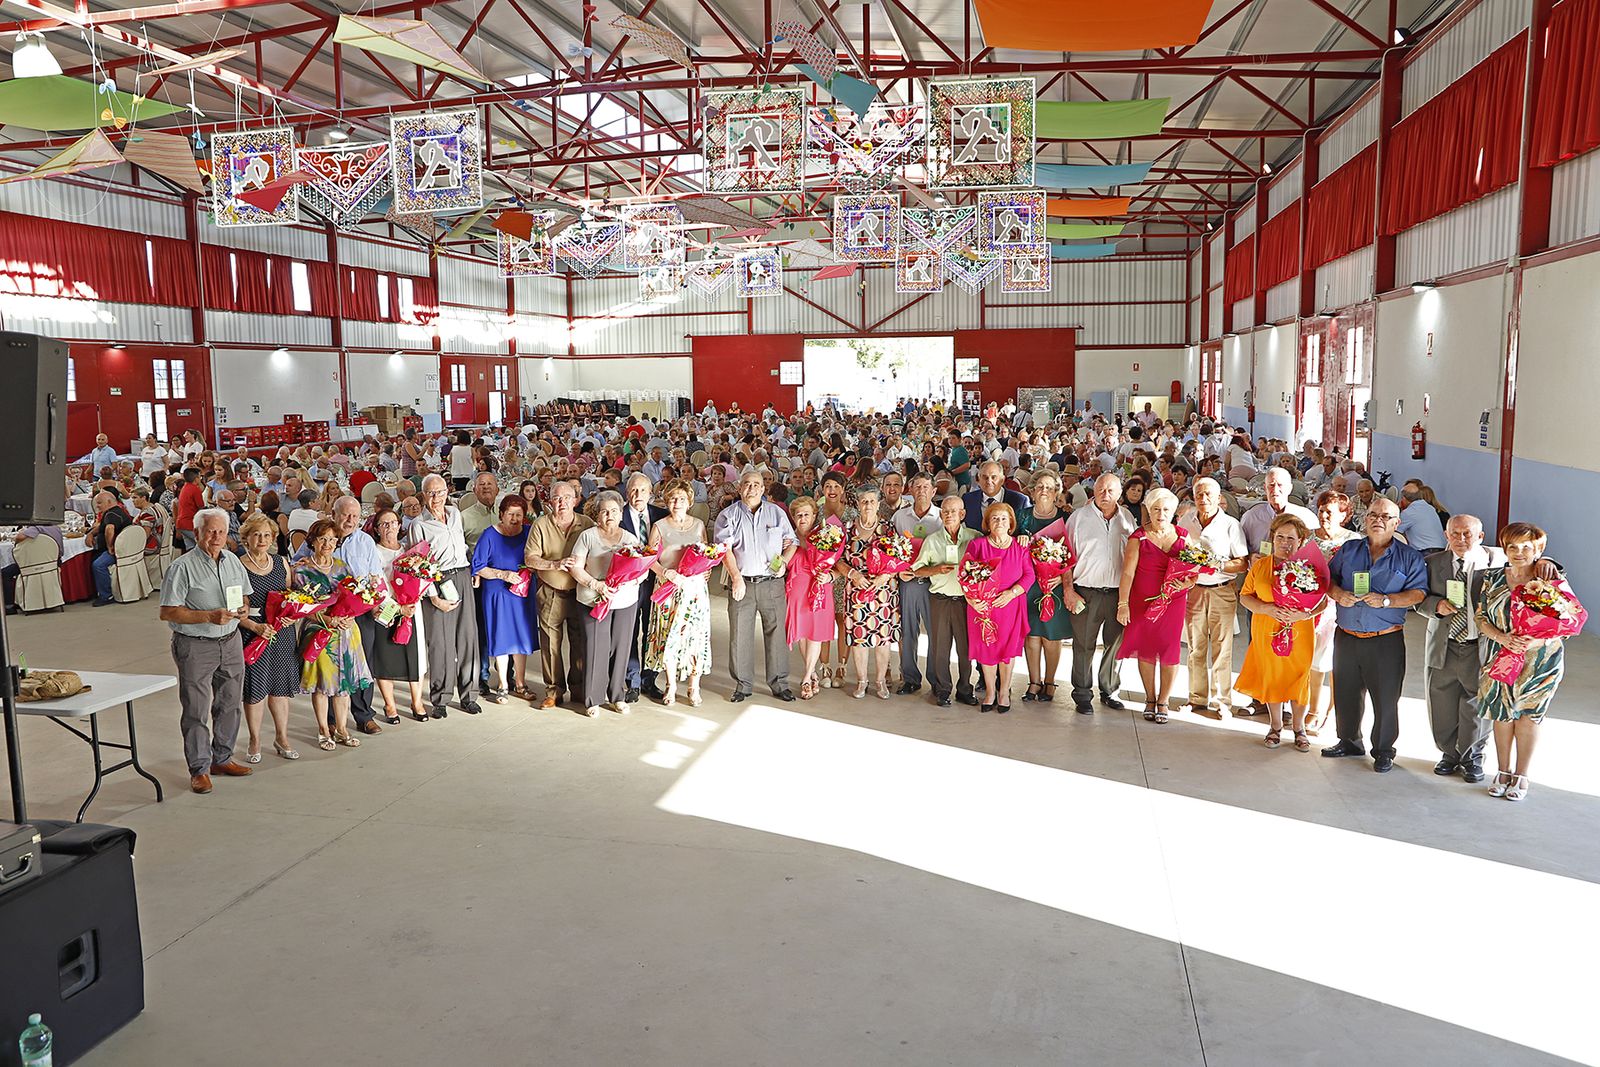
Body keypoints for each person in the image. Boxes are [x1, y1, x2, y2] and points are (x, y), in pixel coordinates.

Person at [1322, 497, 1428, 773]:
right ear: (1365, 518)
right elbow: (1328, 579)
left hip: (1385, 639)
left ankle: (1383, 750)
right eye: (1372, 515)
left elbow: (1418, 593)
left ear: (1397, 523)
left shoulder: (1410, 557)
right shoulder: (1349, 549)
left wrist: (1387, 600)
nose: (1378, 520)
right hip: (1347, 635)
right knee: (1345, 691)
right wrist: (1338, 594)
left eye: (1385, 516)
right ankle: (1348, 741)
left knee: (1385, 697)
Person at [1476, 523, 1577, 802]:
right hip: (1501, 655)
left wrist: (1534, 642)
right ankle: (1502, 771)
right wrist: (1501, 637)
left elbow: (1568, 621)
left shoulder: (1550, 579)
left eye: (1526, 547)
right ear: (1505, 549)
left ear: (1538, 550)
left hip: (1541, 661)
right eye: (1512, 547)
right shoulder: (1493, 578)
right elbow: (1481, 616)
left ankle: (1521, 775)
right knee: (1502, 714)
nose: (1518, 552)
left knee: (1528, 716)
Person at [158, 508, 254, 794]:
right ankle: (199, 769)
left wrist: (244, 608)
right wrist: (208, 617)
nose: (216, 537)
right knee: (196, 709)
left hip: (231, 641)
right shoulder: (182, 567)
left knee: (230, 703)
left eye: (221, 531)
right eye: (211, 531)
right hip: (195, 645)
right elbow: (167, 612)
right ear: (197, 532)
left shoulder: (233, 561)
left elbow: (244, 595)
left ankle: (222, 758)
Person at [1416, 514, 1507, 783]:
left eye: (1467, 533)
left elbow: (1531, 560)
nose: (1461, 539)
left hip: (1479, 646)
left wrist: (1548, 563)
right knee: (1440, 700)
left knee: (1477, 703)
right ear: (1446, 536)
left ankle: (1473, 756)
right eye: (1454, 534)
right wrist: (1436, 606)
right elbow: (1418, 599)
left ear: (1480, 536)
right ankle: (1449, 754)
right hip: (1444, 644)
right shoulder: (1433, 563)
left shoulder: (1497, 561)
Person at [1235, 515, 1323, 749]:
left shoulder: (1309, 568)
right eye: (1280, 537)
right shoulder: (1261, 565)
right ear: (1272, 538)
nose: (1285, 543)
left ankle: (1299, 728)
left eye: (1291, 538)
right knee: (1272, 676)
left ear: (1300, 541)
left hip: (1299, 632)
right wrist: (1266, 608)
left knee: (1299, 678)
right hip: (1267, 629)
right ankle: (1275, 726)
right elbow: (1245, 597)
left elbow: (1322, 601)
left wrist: (1303, 615)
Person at [715, 470, 798, 703]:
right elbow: (724, 550)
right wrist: (736, 577)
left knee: (777, 634)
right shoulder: (728, 516)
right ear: (739, 487)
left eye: (756, 484)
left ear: (763, 489)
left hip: (772, 584)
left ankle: (780, 683)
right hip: (743, 584)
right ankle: (743, 685)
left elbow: (792, 542)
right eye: (747, 484)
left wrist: (784, 562)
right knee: (740, 634)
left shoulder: (776, 513)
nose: (751, 488)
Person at [1061, 474, 1137, 715]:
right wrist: (1068, 589)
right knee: (1084, 645)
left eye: (1111, 491)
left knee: (1115, 644)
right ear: (1093, 490)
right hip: (1086, 592)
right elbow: (1065, 557)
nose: (1105, 495)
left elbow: (1135, 556)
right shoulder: (1078, 518)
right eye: (1101, 489)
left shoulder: (1127, 518)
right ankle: (1082, 694)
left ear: (1119, 494)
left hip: (1118, 594)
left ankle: (1109, 690)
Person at [295, 519, 373, 750]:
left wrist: (350, 617)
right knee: (322, 683)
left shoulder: (342, 567)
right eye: (322, 539)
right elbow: (301, 606)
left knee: (344, 683)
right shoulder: (302, 569)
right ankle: (323, 730)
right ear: (312, 541)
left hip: (346, 632)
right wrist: (329, 620)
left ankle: (341, 729)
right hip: (319, 632)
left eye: (332, 539)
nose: (327, 544)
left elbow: (354, 597)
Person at [1175, 477, 1249, 719]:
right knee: (1195, 648)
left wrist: (1217, 564)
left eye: (1208, 495)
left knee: (1222, 649)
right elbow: (1178, 553)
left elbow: (1242, 563)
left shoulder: (1230, 525)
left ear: (1219, 498)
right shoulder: (1187, 520)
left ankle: (1222, 702)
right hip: (1194, 591)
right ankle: (1196, 699)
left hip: (1222, 590)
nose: (1203, 499)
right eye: (1199, 494)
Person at [1115, 487, 1190, 722]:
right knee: (1146, 649)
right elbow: (1127, 573)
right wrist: (1123, 604)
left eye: (1166, 510)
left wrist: (1187, 583)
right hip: (1142, 602)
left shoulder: (1184, 536)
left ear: (1173, 512)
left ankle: (1163, 701)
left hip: (1173, 602)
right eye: (1156, 509)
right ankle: (1149, 698)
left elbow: (1193, 571)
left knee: (1170, 650)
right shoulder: (1138, 537)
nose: (1161, 514)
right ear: (1148, 510)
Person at [410, 474, 482, 718]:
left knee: (468, 638)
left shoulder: (455, 514)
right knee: (440, 643)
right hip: (438, 581)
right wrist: (433, 596)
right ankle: (440, 698)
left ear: (447, 492)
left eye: (440, 492)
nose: (436, 497)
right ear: (424, 495)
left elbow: (462, 545)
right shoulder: (418, 524)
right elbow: (417, 564)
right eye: (431, 493)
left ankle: (470, 695)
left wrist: (472, 569)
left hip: (462, 575)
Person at [571, 491, 646, 717]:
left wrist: (631, 581)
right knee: (595, 648)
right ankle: (593, 699)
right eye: (604, 511)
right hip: (593, 598)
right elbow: (575, 567)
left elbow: (642, 570)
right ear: (597, 515)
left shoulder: (630, 539)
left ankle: (617, 696)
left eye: (614, 511)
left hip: (625, 600)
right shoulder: (587, 536)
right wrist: (596, 584)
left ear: (621, 514)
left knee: (621, 648)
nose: (609, 515)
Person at [235, 513, 299, 763]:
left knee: (279, 687)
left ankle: (282, 737)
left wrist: (291, 616)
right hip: (253, 633)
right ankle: (255, 740)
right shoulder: (237, 565)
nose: (262, 539)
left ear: (273, 538)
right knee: (256, 688)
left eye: (266, 535)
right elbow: (235, 608)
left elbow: (290, 595)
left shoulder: (281, 562)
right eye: (256, 535)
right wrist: (255, 627)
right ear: (246, 538)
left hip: (281, 632)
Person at [524, 481, 593, 708]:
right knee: (551, 645)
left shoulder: (587, 523)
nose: (562, 502)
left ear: (576, 500)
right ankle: (554, 691)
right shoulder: (541, 524)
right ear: (550, 501)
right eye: (557, 498)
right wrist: (554, 564)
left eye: (567, 498)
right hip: (550, 592)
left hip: (580, 593)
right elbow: (530, 558)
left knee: (580, 642)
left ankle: (579, 689)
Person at [960, 502, 1033, 712]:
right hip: (983, 608)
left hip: (1011, 606)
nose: (999, 522)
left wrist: (1012, 593)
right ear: (987, 523)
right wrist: (971, 600)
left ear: (1010, 523)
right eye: (994, 518)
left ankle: (1004, 692)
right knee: (987, 650)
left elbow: (1029, 575)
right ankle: (990, 692)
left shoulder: (1020, 547)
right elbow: (965, 574)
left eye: (1003, 518)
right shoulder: (977, 546)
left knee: (1007, 651)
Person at [645, 480, 712, 707]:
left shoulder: (699, 525)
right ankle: (671, 684)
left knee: (695, 637)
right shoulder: (659, 526)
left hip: (694, 589)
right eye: (673, 498)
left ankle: (694, 685)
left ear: (689, 501)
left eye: (681, 498)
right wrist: (665, 573)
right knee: (669, 635)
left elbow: (706, 553)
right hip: (669, 586)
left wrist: (706, 569)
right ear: (667, 501)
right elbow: (649, 559)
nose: (677, 502)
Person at [912, 495, 980, 707]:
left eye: (953, 511)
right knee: (940, 647)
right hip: (940, 600)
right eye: (945, 511)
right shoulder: (932, 540)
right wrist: (936, 569)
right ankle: (942, 690)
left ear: (962, 514)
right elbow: (917, 570)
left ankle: (965, 689)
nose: (949, 515)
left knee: (965, 648)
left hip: (966, 602)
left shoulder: (975, 537)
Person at [471, 495, 540, 703]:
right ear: (501, 514)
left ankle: (520, 683)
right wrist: (503, 574)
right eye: (510, 514)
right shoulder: (489, 535)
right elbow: (478, 566)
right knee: (501, 636)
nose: (514, 519)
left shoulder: (529, 533)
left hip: (522, 594)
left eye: (519, 514)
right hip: (498, 593)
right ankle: (503, 684)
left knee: (521, 637)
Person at [836, 488, 900, 700]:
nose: (868, 505)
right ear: (857, 504)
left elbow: (899, 557)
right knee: (859, 638)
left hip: (883, 591)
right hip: (856, 590)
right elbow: (838, 559)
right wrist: (852, 574)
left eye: (872, 501)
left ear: (878, 503)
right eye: (864, 501)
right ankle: (862, 680)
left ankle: (880, 681)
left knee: (883, 639)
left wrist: (885, 576)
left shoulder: (888, 528)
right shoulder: (847, 528)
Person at [1305, 491, 1360, 734]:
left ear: (1343, 515)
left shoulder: (1354, 540)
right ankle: (1312, 709)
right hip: (1312, 604)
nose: (1324, 516)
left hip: (1341, 605)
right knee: (1314, 660)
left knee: (1338, 661)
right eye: (1321, 510)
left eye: (1329, 512)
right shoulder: (1308, 537)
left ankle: (1332, 712)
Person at [368, 507, 427, 723]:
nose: (390, 527)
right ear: (377, 529)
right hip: (386, 609)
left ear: (400, 525)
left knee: (415, 656)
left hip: (411, 608)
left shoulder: (409, 551)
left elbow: (422, 576)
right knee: (386, 656)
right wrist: (396, 606)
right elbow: (375, 584)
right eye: (384, 524)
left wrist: (415, 596)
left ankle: (416, 702)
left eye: (393, 522)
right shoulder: (374, 552)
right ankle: (389, 704)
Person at [1016, 471, 1071, 703]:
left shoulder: (1066, 517)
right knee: (1032, 635)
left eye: (1049, 487)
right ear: (1032, 490)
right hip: (1029, 584)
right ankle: (1034, 682)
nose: (1044, 491)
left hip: (1053, 585)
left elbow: (1073, 552)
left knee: (1051, 636)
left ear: (1057, 492)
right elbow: (1011, 548)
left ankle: (1049, 681)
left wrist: (1062, 578)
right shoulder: (1022, 516)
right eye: (1039, 486)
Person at [892, 472, 940, 695]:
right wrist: (899, 571)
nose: (921, 491)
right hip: (908, 582)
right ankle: (910, 678)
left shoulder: (941, 517)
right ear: (910, 490)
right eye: (917, 487)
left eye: (925, 487)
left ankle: (936, 679)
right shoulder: (900, 517)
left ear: (934, 491)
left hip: (934, 583)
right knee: (908, 631)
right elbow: (890, 549)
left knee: (935, 633)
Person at [621, 472, 667, 701]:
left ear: (651, 493)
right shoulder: (617, 516)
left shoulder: (662, 516)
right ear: (627, 492)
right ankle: (633, 681)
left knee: (652, 631)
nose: (638, 494)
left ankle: (649, 678)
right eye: (634, 489)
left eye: (643, 490)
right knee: (629, 631)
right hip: (628, 583)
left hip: (655, 583)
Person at [784, 495, 834, 700]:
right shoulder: (787, 538)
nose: (802, 518)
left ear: (814, 516)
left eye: (806, 514)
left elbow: (838, 563)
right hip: (797, 589)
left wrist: (830, 576)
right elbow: (778, 564)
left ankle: (806, 678)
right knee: (802, 633)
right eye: (798, 515)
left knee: (815, 633)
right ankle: (812, 672)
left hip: (819, 588)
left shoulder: (826, 537)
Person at [87, 490, 133, 606]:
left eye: (99, 503)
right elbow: (102, 527)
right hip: (126, 548)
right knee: (93, 558)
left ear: (108, 502)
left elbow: (109, 529)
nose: (97, 506)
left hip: (119, 551)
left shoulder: (111, 515)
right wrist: (91, 533)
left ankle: (106, 596)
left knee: (98, 565)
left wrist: (110, 546)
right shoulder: (116, 511)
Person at [962, 460, 1030, 531]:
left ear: (1002, 480)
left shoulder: (1020, 501)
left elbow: (1026, 530)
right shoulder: (967, 499)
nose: (989, 481)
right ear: (978, 480)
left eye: (993, 477)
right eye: (985, 477)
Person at [1396, 485, 1447, 551]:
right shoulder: (1429, 508)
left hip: (1426, 551)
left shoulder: (1409, 512)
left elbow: (1394, 531)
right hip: (1442, 550)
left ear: (1403, 498)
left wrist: (1396, 509)